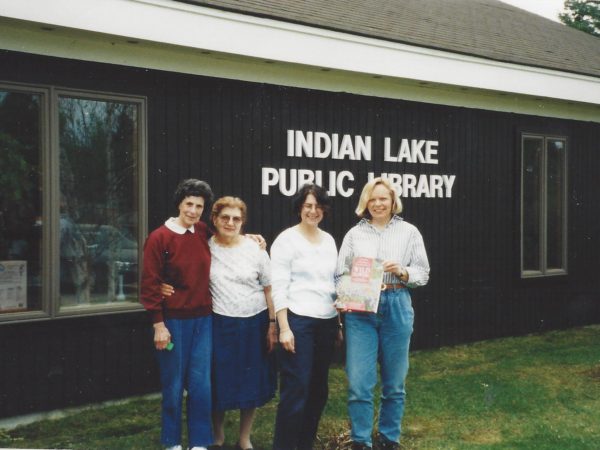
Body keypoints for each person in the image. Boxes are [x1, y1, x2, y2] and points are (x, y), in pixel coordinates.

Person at [160, 196, 276, 450]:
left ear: (243, 222)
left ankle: (244, 437)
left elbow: (269, 288)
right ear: (214, 219)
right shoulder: (205, 245)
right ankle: (218, 435)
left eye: (236, 219)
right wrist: (161, 283)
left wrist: (272, 323)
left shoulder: (255, 248)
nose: (230, 223)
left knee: (251, 382)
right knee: (217, 382)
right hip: (220, 322)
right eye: (225, 217)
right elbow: (179, 266)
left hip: (254, 322)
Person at [336, 177, 430, 450]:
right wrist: (346, 293)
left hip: (396, 302)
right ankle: (361, 442)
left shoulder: (410, 232)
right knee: (359, 382)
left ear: (392, 202)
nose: (377, 204)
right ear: (365, 202)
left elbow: (423, 273)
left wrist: (403, 271)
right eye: (372, 199)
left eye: (383, 199)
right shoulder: (354, 235)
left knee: (394, 382)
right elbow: (340, 274)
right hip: (361, 310)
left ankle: (389, 439)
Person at [140, 178, 214, 450]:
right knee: (172, 386)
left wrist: (253, 237)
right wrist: (159, 325)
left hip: (203, 320)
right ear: (179, 204)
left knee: (201, 384)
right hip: (172, 322)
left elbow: (230, 236)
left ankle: (200, 442)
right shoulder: (160, 237)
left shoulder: (203, 231)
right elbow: (149, 283)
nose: (193, 211)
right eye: (189, 204)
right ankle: (171, 442)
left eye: (199, 206)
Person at [271, 183, 342, 450]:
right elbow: (279, 285)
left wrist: (337, 324)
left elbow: (332, 284)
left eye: (318, 206)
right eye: (307, 206)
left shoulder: (329, 240)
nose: (313, 211)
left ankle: (304, 444)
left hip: (326, 321)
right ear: (299, 208)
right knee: (296, 390)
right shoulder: (286, 240)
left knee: (318, 391)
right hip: (297, 321)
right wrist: (284, 328)